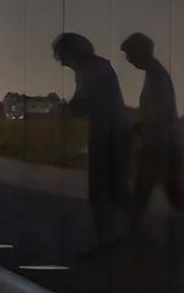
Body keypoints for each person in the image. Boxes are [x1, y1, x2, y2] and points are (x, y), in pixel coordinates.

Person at [52, 33, 134, 246]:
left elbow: (83, 102)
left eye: (62, 56)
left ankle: (110, 244)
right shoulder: (96, 67)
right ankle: (133, 238)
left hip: (107, 136)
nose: (62, 62)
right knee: (114, 191)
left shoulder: (91, 69)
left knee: (101, 193)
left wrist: (65, 110)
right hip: (113, 134)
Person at [120, 32, 184, 222]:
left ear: (141, 52)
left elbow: (159, 112)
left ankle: (135, 236)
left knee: (143, 192)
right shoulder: (154, 73)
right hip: (162, 143)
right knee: (171, 191)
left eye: (130, 55)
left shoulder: (157, 76)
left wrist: (138, 127)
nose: (129, 60)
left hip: (159, 145)